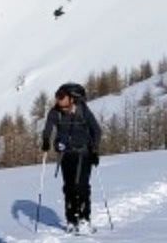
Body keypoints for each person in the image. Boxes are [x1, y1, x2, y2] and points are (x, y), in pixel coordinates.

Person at [41, 83, 102, 233]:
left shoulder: (83, 110)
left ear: (72, 99)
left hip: (83, 153)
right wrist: (45, 141)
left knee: (81, 187)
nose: (58, 100)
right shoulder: (55, 112)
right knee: (69, 188)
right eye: (57, 96)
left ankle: (84, 220)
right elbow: (48, 128)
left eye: (62, 96)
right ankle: (71, 220)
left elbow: (97, 130)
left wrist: (94, 150)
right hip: (65, 155)